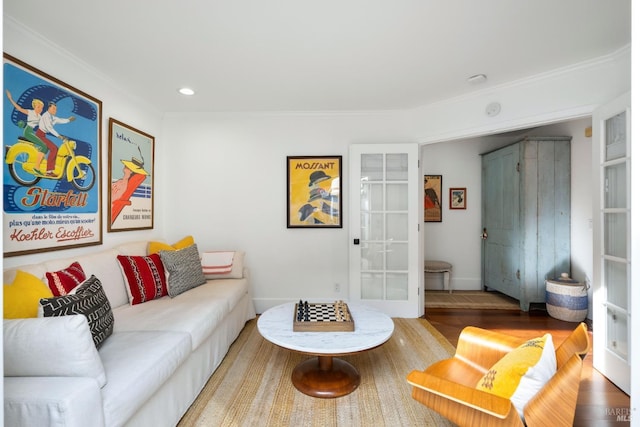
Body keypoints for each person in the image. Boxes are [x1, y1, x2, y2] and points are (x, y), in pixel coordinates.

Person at [5, 90, 48, 169]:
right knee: (44, 147)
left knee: (43, 146)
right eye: (38, 107)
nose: (40, 109)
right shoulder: (30, 112)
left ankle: (35, 160)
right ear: (34, 107)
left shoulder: (40, 117)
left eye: (41, 108)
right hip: (28, 131)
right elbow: (19, 108)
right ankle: (36, 167)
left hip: (31, 132)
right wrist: (10, 98)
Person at [35, 101, 75, 176]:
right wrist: (59, 136)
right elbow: (49, 128)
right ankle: (49, 172)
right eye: (53, 108)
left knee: (54, 148)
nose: (55, 111)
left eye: (56, 109)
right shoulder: (45, 116)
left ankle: (49, 168)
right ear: (49, 108)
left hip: (43, 135)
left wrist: (69, 120)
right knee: (54, 148)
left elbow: (60, 120)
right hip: (39, 135)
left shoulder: (52, 117)